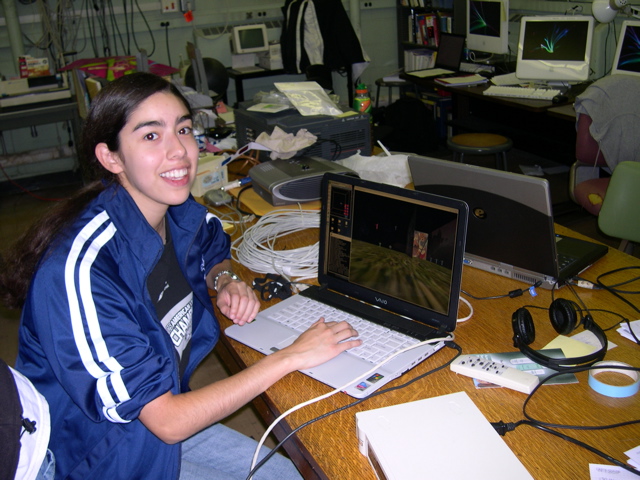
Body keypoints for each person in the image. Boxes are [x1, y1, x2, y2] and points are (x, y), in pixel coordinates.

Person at [0, 72, 361, 480]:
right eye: (151, 136)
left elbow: (212, 244)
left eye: (184, 129)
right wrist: (291, 356)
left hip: (155, 425)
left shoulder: (174, 209)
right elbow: (168, 421)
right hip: (99, 455)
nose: (178, 151)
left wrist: (224, 280)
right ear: (111, 158)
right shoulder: (83, 270)